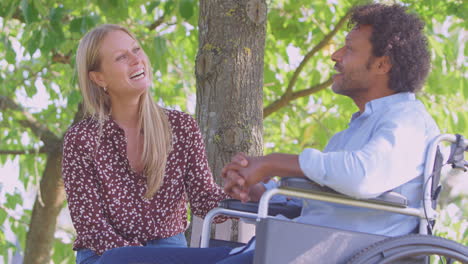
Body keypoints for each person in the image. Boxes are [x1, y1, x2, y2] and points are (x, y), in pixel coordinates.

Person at [91, 3, 441, 263]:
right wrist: (259, 192)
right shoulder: (358, 128)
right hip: (286, 249)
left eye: (348, 49)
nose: (334, 55)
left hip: (330, 254)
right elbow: (318, 203)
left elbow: (362, 177)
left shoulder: (407, 121)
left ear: (383, 64)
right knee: (116, 259)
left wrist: (274, 162)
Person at [61, 24, 229, 264]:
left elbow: (204, 200)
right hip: (105, 256)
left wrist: (242, 194)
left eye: (136, 50)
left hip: (169, 252)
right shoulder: (81, 140)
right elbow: (93, 229)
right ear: (99, 77)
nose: (136, 60)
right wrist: (140, 258)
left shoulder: (181, 128)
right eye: (121, 57)